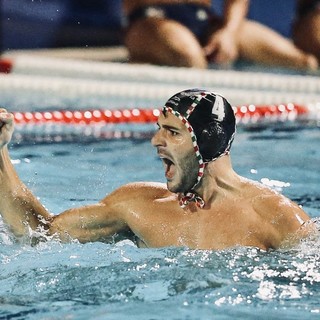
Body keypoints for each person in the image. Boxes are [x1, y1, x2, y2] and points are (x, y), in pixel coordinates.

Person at [0, 89, 316, 250]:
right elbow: (38, 235)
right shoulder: (138, 206)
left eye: (172, 133)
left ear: (204, 144)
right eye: (158, 129)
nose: (155, 141)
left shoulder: (278, 218)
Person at [122, 0, 318, 70]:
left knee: (304, 62)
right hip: (150, 21)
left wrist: (229, 32)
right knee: (189, 57)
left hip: (206, 21)